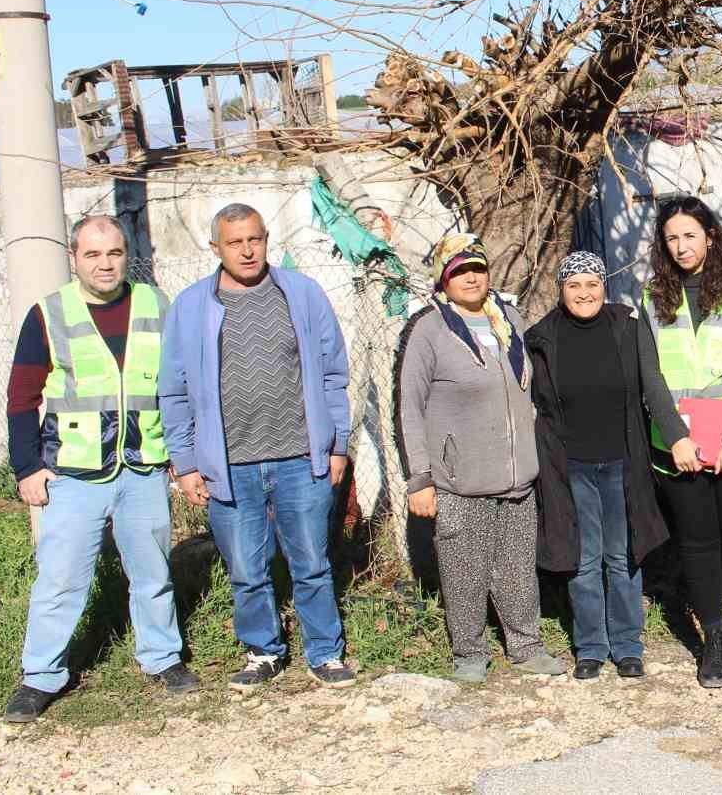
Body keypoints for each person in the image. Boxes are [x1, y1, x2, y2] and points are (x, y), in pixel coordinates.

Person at [1, 216, 199, 721]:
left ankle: (162, 659)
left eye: (113, 253)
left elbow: (179, 385)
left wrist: (183, 455)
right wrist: (27, 467)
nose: (105, 264)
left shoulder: (156, 304)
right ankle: (41, 676)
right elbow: (21, 397)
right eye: (93, 255)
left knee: (153, 570)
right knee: (61, 577)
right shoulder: (49, 314)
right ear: (75, 258)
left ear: (125, 254)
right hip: (74, 471)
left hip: (142, 465)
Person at [159, 203, 358, 692]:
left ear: (266, 239)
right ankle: (262, 651)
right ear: (216, 248)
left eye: (254, 239)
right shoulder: (190, 306)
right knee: (247, 570)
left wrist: (337, 445)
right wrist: (185, 463)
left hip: (300, 458)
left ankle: (325, 652)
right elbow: (174, 389)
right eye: (234, 242)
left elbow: (333, 374)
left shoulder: (302, 294)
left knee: (311, 562)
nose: (247, 251)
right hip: (228, 466)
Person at [396, 233, 568, 682]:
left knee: (516, 569)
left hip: (516, 476)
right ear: (443, 277)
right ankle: (469, 653)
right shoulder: (427, 330)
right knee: (464, 571)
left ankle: (526, 647)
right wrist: (421, 478)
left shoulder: (508, 319)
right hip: (460, 479)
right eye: (459, 270)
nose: (471, 277)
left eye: (478, 268)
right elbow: (409, 409)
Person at [527, 251, 690, 679]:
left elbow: (653, 388)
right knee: (583, 558)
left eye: (592, 283)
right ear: (561, 290)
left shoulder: (628, 329)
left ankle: (627, 644)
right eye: (574, 285)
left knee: (622, 557)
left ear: (604, 286)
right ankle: (591, 648)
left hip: (621, 462)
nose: (584, 292)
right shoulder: (542, 339)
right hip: (570, 465)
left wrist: (676, 437)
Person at [641, 196, 722, 688]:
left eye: (690, 235)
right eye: (672, 238)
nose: (681, 246)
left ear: (710, 237)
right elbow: (649, 373)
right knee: (696, 545)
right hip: (678, 444)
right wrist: (675, 437)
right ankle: (714, 639)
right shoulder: (652, 297)